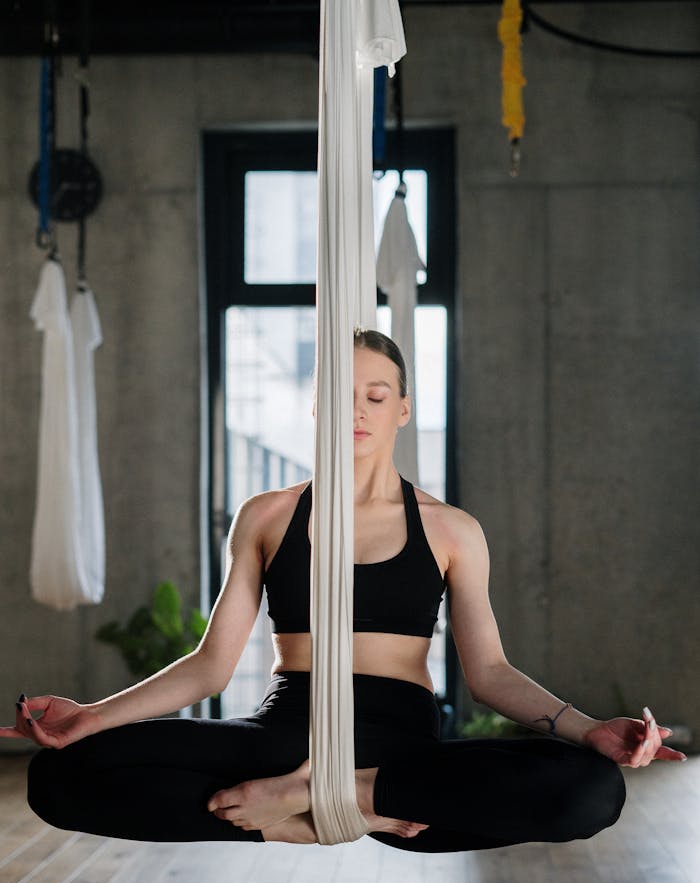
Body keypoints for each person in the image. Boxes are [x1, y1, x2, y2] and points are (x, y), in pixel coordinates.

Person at [2, 330, 685, 851]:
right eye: (339, 394)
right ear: (315, 405)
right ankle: (290, 818)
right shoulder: (267, 516)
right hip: (284, 730)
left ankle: (340, 799)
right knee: (57, 779)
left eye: (376, 396)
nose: (356, 411)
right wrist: (93, 716)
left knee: (594, 792)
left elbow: (492, 676)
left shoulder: (451, 530)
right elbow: (212, 664)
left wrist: (590, 729)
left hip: (398, 755)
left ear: (403, 410)